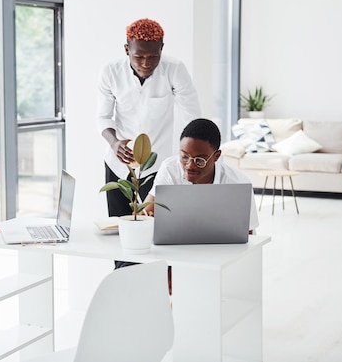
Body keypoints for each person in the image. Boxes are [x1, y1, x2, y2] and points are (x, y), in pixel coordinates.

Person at [96, 18, 201, 268]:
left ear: (162, 48)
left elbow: (192, 118)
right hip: (119, 166)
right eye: (139, 57)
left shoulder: (175, 69)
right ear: (126, 50)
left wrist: (185, 162)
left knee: (157, 239)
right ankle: (123, 288)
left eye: (153, 56)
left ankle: (159, 294)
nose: (146, 63)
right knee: (121, 239)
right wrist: (114, 143)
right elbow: (102, 117)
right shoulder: (111, 72)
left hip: (159, 169)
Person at [144, 117, 259, 234]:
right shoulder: (170, 169)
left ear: (216, 156)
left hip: (222, 250)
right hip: (177, 248)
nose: (190, 165)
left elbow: (248, 235)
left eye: (199, 160)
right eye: (184, 156)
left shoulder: (239, 184)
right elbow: (145, 214)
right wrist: (148, 218)